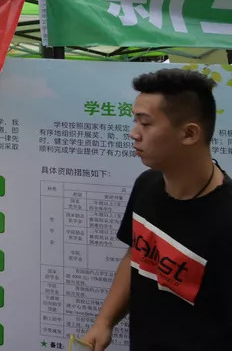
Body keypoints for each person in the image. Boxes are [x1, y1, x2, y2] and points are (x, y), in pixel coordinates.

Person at [81, 69, 232, 351]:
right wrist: (104, 321)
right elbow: (136, 255)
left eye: (146, 123)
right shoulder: (147, 185)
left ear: (189, 133)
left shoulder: (225, 219)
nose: (134, 133)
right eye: (135, 120)